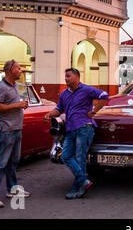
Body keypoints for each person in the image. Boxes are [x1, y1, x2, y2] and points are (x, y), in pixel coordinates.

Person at [44, 68, 109, 200]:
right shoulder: (64, 94)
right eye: (65, 76)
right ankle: (83, 180)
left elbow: (104, 95)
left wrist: (94, 111)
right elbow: (59, 109)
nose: (66, 79)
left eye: (68, 76)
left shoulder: (86, 89)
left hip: (85, 127)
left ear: (77, 77)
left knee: (80, 158)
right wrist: (50, 113)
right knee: (65, 156)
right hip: (71, 129)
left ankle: (77, 188)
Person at [0, 59, 29, 209]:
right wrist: (17, 105)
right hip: (5, 131)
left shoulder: (15, 85)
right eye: (18, 68)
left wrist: (20, 105)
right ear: (10, 70)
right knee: (0, 164)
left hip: (16, 129)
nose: (21, 71)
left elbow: (8, 105)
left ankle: (12, 188)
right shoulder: (1, 87)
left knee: (13, 162)